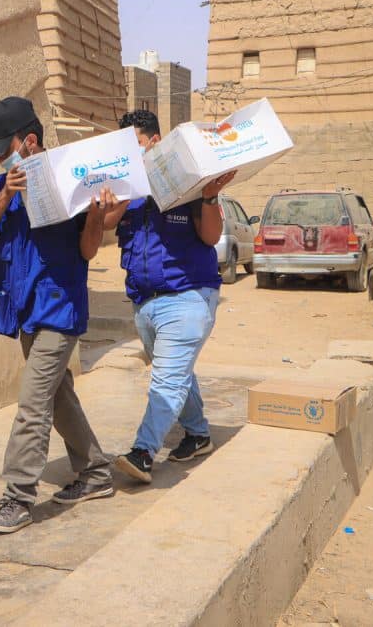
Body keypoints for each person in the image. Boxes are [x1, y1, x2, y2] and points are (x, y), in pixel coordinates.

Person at [0, 96, 118, 534]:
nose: (0, 156)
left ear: (29, 140)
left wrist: (95, 215)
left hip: (60, 309)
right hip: (25, 312)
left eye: (5, 147)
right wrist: (6, 197)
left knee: (32, 402)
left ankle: (18, 496)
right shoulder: (2, 187)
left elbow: (89, 249)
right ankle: (95, 473)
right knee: (57, 397)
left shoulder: (70, 182)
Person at [102, 110, 236, 484]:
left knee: (166, 380)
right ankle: (198, 434)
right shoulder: (127, 189)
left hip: (188, 294)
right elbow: (107, 224)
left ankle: (143, 453)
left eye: (137, 144)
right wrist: (112, 193)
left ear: (156, 142)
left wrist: (209, 199)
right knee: (176, 372)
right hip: (144, 302)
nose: (133, 152)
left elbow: (210, 237)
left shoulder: (190, 183)